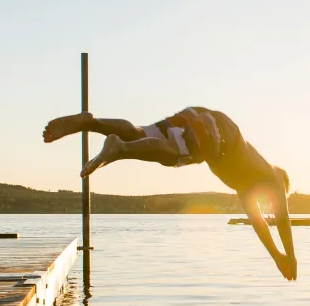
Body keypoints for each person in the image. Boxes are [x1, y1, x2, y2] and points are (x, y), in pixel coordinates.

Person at [43, 107, 296, 280]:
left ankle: (91, 122)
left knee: (143, 133)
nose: (272, 206)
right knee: (173, 154)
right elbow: (281, 220)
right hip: (220, 134)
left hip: (203, 119)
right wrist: (289, 257)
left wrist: (277, 256)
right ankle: (120, 149)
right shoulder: (273, 177)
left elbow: (260, 223)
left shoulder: (246, 188)